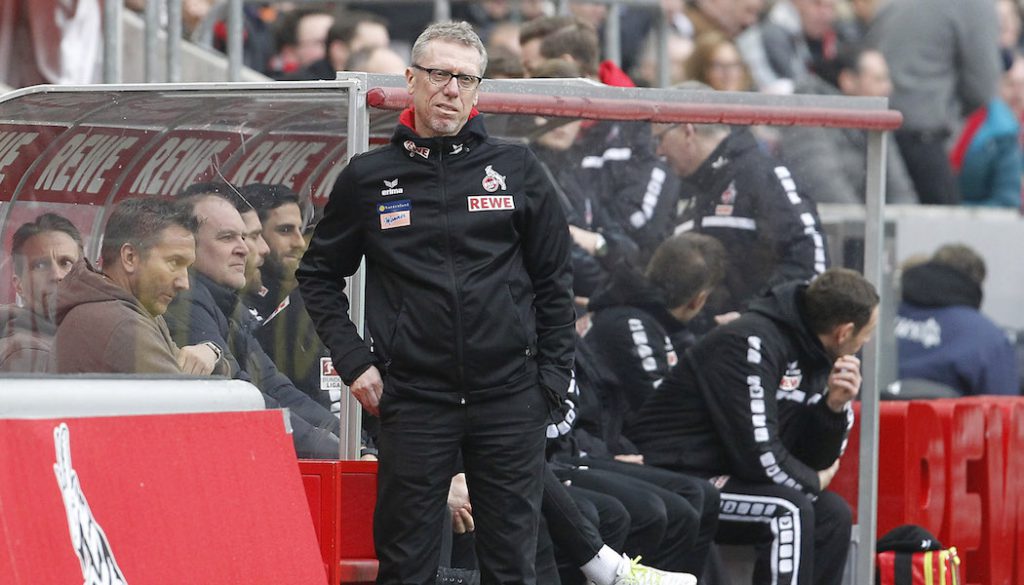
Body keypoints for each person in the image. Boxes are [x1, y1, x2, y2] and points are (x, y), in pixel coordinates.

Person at [297, 21, 576, 585]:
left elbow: (555, 283)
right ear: (411, 80)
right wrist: (356, 362)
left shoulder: (518, 169)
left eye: (465, 79)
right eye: (440, 74)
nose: (451, 89)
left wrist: (550, 383)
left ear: (478, 91)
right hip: (415, 401)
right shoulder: (370, 178)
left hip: (509, 398)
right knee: (405, 566)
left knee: (511, 566)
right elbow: (318, 275)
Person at [631, 268, 880, 585]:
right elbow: (758, 455)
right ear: (844, 332)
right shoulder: (751, 342)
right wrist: (812, 481)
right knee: (788, 509)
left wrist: (833, 408)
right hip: (679, 473)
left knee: (833, 513)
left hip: (733, 474)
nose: (867, 341)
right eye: (867, 333)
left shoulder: (818, 353)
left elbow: (812, 459)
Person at [163, 189, 342, 459]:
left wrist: (349, 441)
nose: (245, 248)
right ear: (189, 247)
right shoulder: (185, 304)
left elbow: (276, 387)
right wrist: (336, 449)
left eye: (244, 237)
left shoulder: (228, 305)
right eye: (227, 237)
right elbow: (243, 396)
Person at [655, 113, 828, 330]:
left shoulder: (762, 175)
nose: (658, 151)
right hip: (702, 345)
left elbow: (811, 261)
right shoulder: (681, 187)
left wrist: (755, 317)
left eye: (660, 139)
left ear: (687, 131)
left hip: (758, 346)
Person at [51, 198, 222, 376]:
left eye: (187, 267)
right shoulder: (123, 325)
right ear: (130, 257)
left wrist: (211, 352)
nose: (184, 283)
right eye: (174, 262)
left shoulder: (127, 309)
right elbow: (187, 399)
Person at [866, 0, 1002, 205]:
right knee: (945, 231)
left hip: (872, 132)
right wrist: (949, 115)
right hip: (924, 138)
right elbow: (982, 87)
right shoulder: (976, 5)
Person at [585, 232, 727, 427]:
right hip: (608, 444)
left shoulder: (656, 316)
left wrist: (721, 337)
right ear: (698, 300)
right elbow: (662, 414)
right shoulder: (630, 325)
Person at [777, 46, 918, 204]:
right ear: (848, 80)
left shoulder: (875, 114)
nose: (888, 88)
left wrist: (902, 222)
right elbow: (822, 182)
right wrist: (862, 226)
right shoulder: (807, 111)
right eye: (879, 80)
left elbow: (897, 185)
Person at [896, 244, 1020, 396]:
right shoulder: (988, 339)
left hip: (870, 418)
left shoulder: (878, 318)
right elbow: (1005, 409)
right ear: (976, 284)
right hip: (946, 419)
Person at [0, 213, 83, 372]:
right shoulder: (25, 354)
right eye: (40, 265)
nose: (57, 275)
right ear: (19, 286)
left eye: (65, 263)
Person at [285, 10, 390, 81]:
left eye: (384, 48)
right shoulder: (305, 88)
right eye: (369, 49)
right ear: (339, 50)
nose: (382, 57)